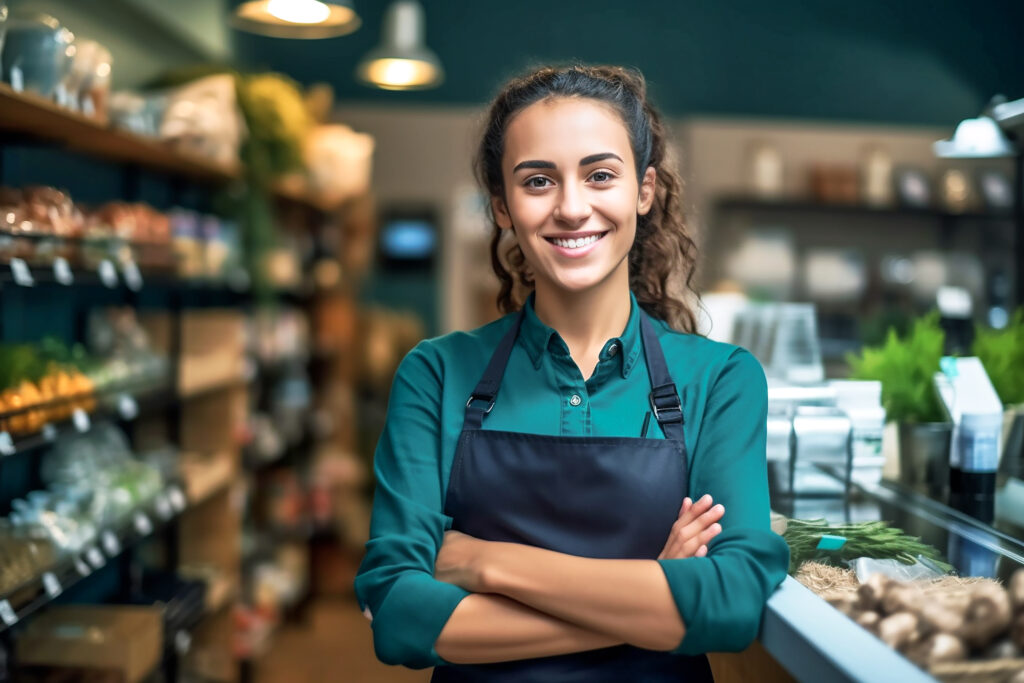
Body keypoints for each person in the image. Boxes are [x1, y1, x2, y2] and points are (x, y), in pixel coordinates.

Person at [354, 64, 790, 682]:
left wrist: (485, 565)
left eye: (600, 175)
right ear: (502, 207)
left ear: (643, 191)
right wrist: (656, 594)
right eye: (538, 181)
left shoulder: (720, 380)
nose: (571, 207)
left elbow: (732, 602)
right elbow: (397, 614)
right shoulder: (436, 373)